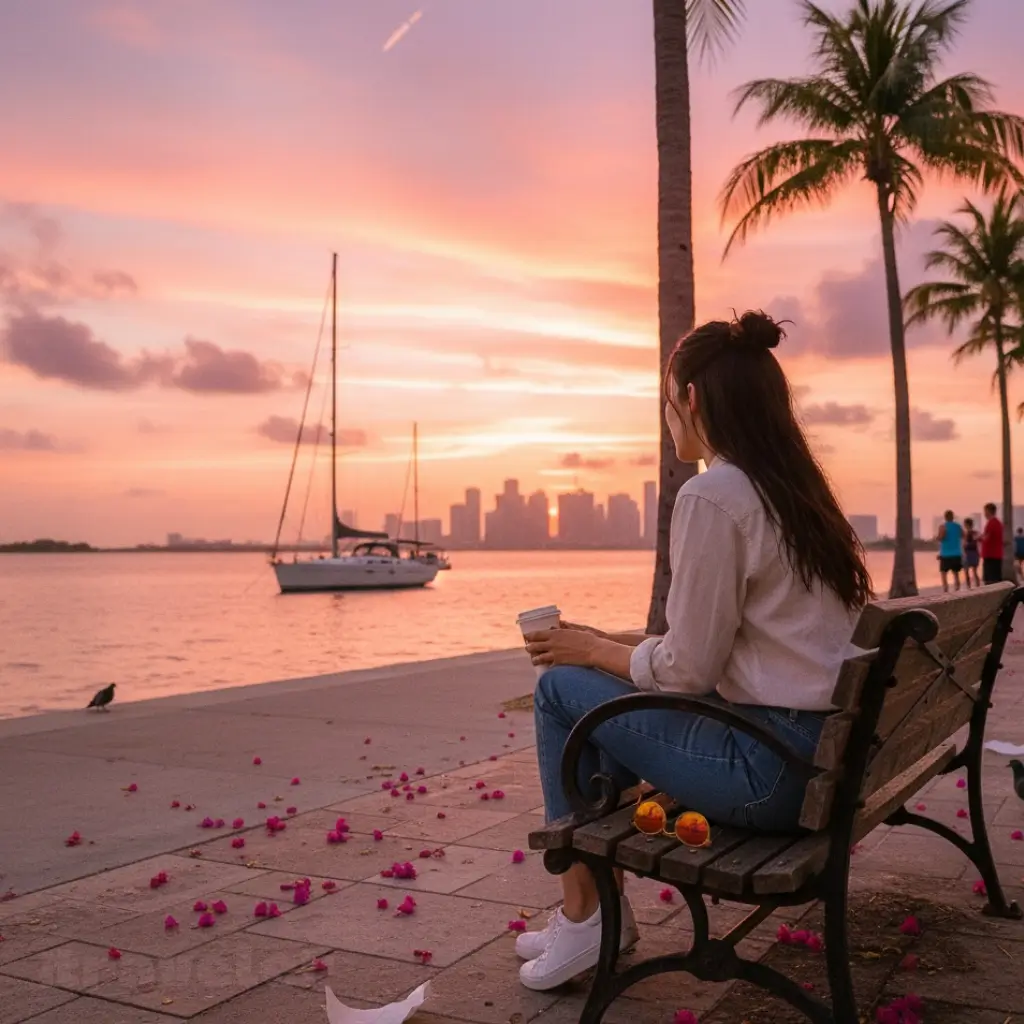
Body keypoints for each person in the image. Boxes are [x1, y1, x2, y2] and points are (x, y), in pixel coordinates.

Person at [519, 311, 871, 992]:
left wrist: (589, 652)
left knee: (557, 689)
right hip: (817, 758)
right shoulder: (795, 493)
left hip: (768, 772)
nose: (666, 419)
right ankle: (596, 920)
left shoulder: (714, 495)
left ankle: (585, 913)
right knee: (583, 674)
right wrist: (605, 643)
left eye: (666, 401)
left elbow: (688, 670)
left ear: (690, 399)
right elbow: (735, 642)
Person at [936, 510, 963, 593]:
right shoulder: (958, 526)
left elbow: (941, 538)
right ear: (952, 517)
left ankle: (945, 591)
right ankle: (957, 590)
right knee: (956, 574)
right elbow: (963, 535)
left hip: (945, 554)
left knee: (944, 574)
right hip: (956, 554)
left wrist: (937, 537)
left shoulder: (943, 526)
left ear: (945, 517)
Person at [981, 503, 1004, 585]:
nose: (984, 514)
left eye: (985, 511)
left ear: (988, 511)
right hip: (997, 555)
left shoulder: (991, 523)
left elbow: (987, 538)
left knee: (990, 582)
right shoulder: (999, 523)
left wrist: (979, 538)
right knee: (996, 579)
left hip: (990, 556)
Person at [963, 517, 981, 589]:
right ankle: (977, 586)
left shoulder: (967, 533)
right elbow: (977, 542)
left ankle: (969, 586)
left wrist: (965, 545)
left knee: (967, 571)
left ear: (967, 525)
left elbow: (965, 544)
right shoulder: (975, 533)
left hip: (969, 553)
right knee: (974, 571)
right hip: (974, 553)